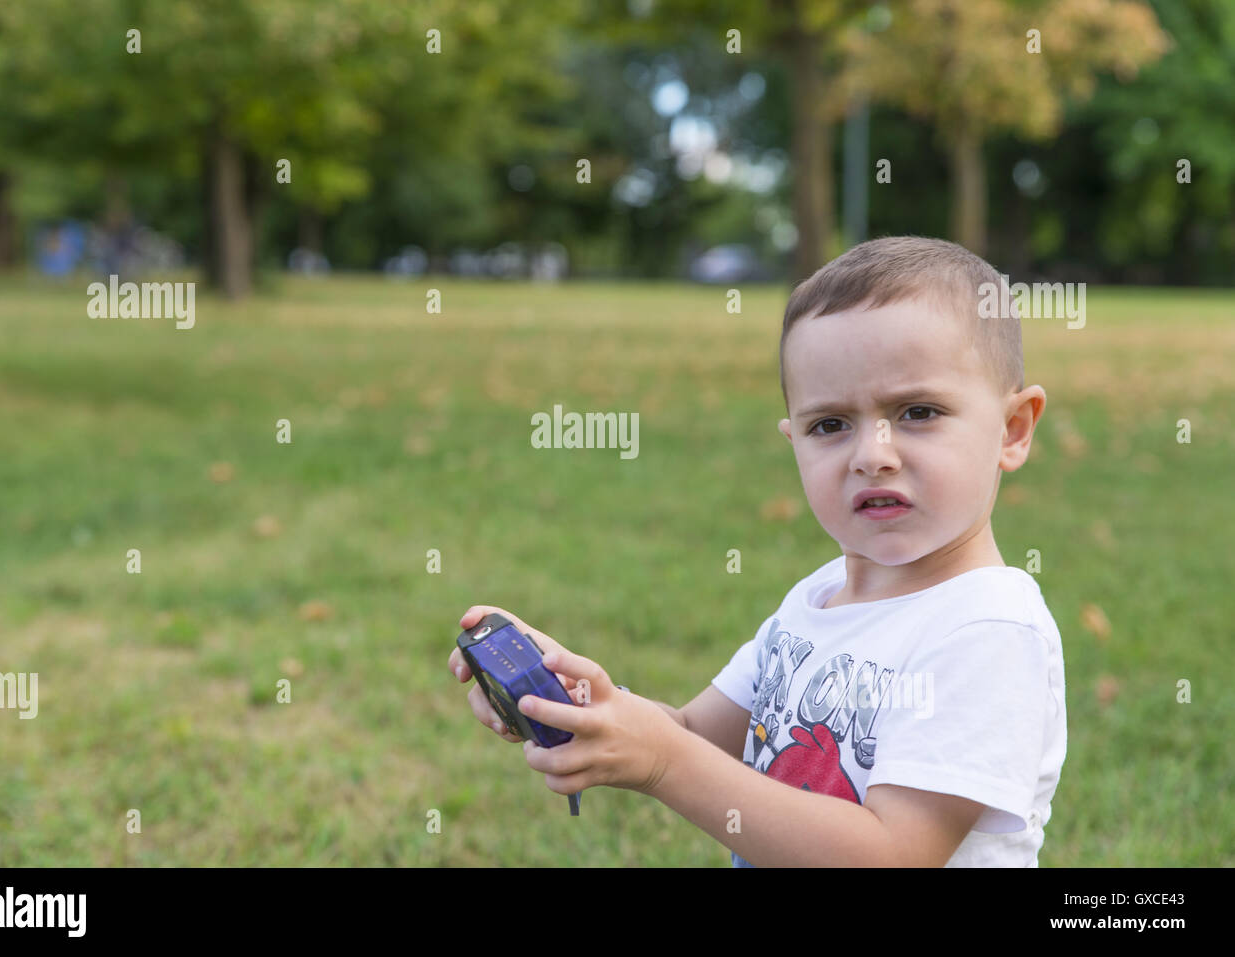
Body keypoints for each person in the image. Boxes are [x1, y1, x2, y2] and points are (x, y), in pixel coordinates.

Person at [447, 235, 1067, 866]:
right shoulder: (817, 601)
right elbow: (694, 736)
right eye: (829, 424)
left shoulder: (987, 628)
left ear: (1012, 429)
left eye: (917, 411)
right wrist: (586, 704)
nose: (873, 454)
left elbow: (892, 854)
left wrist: (663, 761)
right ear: (792, 437)